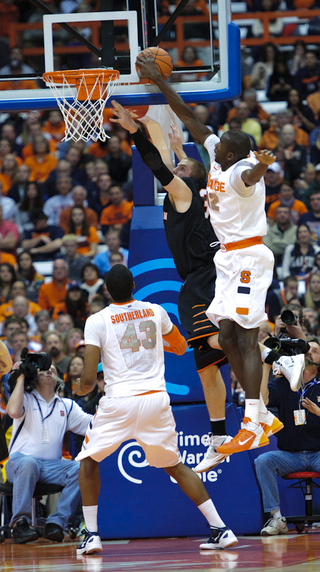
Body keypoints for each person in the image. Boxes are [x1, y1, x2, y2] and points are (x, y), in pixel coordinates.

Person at [111, 103, 301, 470]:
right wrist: (151, 122)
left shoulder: (184, 194)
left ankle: (274, 356)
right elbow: (172, 155)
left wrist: (136, 133)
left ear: (192, 178)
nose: (176, 167)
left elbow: (158, 163)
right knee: (206, 360)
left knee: (223, 343)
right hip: (209, 272)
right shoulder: (202, 188)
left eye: (182, 168)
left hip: (205, 277)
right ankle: (220, 435)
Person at [136, 52, 281, 455]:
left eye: (219, 153)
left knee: (245, 338)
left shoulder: (239, 172)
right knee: (228, 337)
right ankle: (260, 414)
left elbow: (249, 176)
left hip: (249, 257)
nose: (210, 151)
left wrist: (262, 168)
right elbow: (190, 118)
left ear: (233, 157)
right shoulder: (220, 148)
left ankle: (254, 418)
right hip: (227, 262)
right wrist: (160, 85)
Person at [74, 264, 238, 554]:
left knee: (88, 461)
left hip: (120, 401)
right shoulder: (154, 311)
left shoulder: (97, 320)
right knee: (174, 464)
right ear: (134, 285)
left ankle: (92, 535)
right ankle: (220, 528)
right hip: (156, 399)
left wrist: (80, 388)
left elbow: (88, 379)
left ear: (107, 291)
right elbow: (178, 346)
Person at [5, 358, 92, 544]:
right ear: (34, 376)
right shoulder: (26, 398)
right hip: (20, 463)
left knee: (80, 468)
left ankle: (56, 523)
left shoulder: (67, 406)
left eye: (53, 369)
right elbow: (12, 411)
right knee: (28, 463)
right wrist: (20, 377)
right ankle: (20, 524)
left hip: (51, 467)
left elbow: (92, 425)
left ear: (60, 379)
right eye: (44, 369)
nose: (48, 371)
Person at [255, 337, 320, 536]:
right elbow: (263, 400)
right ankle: (277, 519)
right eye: (307, 350)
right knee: (263, 461)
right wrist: (267, 365)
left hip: (318, 453)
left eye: (315, 351)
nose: (310, 353)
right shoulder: (282, 383)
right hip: (290, 455)